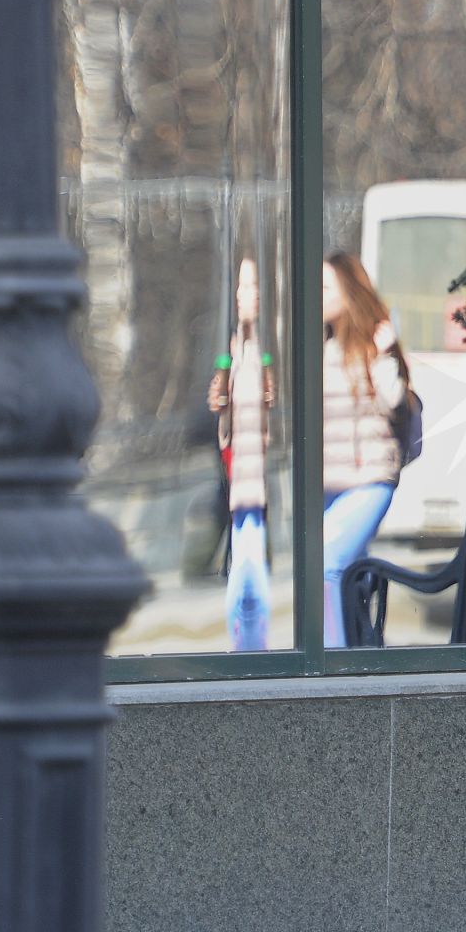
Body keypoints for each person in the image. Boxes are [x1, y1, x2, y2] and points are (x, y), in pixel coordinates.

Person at [321, 252, 410, 648]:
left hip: (370, 478)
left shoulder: (374, 344)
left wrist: (388, 354)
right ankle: (359, 649)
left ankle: (329, 668)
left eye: (325, 288)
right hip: (329, 483)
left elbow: (393, 401)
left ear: (347, 291)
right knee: (347, 573)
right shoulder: (321, 349)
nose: (316, 297)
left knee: (325, 564)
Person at [210, 257, 277, 650]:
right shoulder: (233, 351)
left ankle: (252, 642)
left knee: (251, 551)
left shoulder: (262, 351)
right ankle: (247, 641)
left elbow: (270, 400)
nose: (245, 297)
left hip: (258, 471)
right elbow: (218, 404)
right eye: (241, 289)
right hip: (239, 474)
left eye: (252, 289)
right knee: (245, 550)